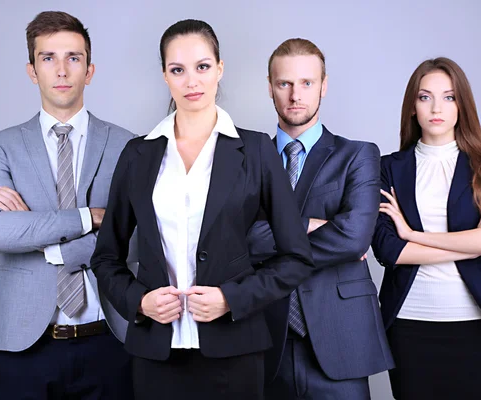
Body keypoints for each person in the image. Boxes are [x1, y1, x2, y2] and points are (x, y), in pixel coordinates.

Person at [90, 19, 315, 400]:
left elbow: (296, 257)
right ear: (165, 76)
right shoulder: (137, 155)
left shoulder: (256, 150)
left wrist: (232, 298)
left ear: (219, 69)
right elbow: (106, 257)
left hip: (234, 350)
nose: (191, 81)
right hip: (155, 352)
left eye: (202, 67)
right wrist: (139, 303)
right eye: (178, 70)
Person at [0, 11, 135, 399]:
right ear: (32, 70)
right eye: (48, 58)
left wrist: (39, 235)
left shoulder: (128, 145)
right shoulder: (4, 146)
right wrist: (88, 218)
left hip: (111, 341)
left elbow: (136, 237)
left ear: (89, 70)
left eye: (73, 58)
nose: (61, 70)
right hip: (24, 347)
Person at [247, 38, 394, 400]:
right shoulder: (247, 160)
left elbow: (355, 238)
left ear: (323, 86)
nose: (295, 94)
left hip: (339, 337)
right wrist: (316, 226)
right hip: (267, 337)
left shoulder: (358, 155)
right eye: (284, 83)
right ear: (270, 87)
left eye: (307, 83)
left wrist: (276, 236)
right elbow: (241, 238)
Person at [372, 57, 481, 400]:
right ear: (412, 106)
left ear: (461, 105)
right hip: (408, 324)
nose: (437, 107)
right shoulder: (387, 169)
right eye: (425, 97)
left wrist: (412, 234)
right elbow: (390, 251)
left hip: (474, 323)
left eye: (449, 97)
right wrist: (471, 242)